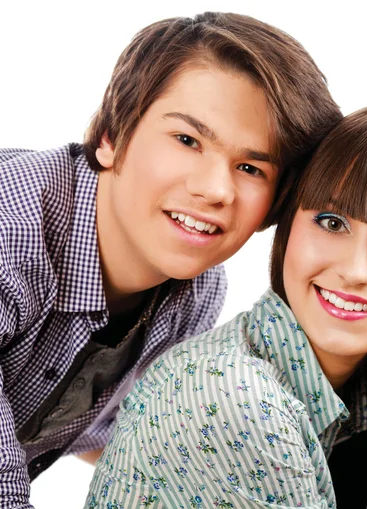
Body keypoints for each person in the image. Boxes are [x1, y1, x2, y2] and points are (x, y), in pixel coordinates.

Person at [0, 12, 342, 507]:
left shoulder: (194, 291)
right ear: (111, 136)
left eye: (250, 167)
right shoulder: (13, 229)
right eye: (187, 140)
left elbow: (139, 436)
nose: (215, 189)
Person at [84, 102, 367, 508]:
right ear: (289, 222)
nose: (355, 271)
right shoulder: (234, 398)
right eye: (332, 222)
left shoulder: (354, 399)